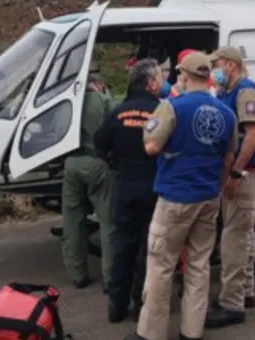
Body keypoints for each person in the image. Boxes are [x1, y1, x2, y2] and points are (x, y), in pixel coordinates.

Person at [126, 52, 238, 340]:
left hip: (175, 198)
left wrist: (151, 127)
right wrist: (216, 187)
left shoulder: (170, 107)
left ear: (185, 77)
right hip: (208, 197)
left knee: (161, 265)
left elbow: (150, 146)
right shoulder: (226, 113)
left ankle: (151, 333)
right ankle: (192, 331)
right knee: (199, 265)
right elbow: (227, 159)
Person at [204, 46, 255, 328]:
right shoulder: (229, 91)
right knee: (243, 233)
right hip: (243, 173)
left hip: (244, 175)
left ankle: (232, 303)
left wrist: (235, 172)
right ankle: (246, 289)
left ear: (230, 65)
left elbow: (252, 134)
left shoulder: (245, 91)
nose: (213, 70)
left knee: (234, 239)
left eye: (216, 64)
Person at [95, 58, 164, 324]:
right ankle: (140, 304)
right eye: (159, 78)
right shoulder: (161, 111)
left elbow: (101, 142)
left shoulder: (118, 111)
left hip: (125, 187)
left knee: (124, 246)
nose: (162, 82)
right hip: (154, 186)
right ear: (149, 83)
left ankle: (116, 305)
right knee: (150, 248)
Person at [62, 73, 115, 291]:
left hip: (71, 163)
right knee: (107, 221)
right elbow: (114, 125)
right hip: (97, 163)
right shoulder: (102, 100)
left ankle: (77, 275)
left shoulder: (68, 101)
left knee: (73, 221)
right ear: (99, 85)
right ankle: (110, 277)